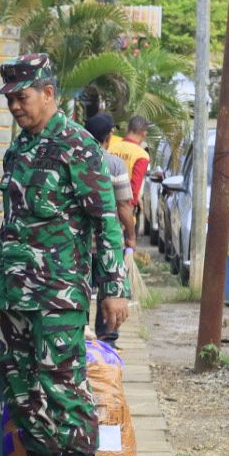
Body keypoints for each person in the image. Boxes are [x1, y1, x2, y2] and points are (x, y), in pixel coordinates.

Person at [0, 55, 130, 456]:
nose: (15, 107)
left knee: (61, 382)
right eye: (10, 100)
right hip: (17, 292)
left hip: (59, 293)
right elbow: (12, 226)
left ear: (48, 93)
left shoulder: (77, 146)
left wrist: (113, 288)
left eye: (22, 97)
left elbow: (106, 222)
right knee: (21, 383)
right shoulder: (19, 149)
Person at [85, 111, 135, 344]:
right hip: (107, 242)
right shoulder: (114, 164)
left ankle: (80, 338)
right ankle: (107, 341)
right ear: (108, 136)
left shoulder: (76, 160)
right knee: (109, 289)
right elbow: (123, 207)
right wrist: (130, 236)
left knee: (81, 291)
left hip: (80, 244)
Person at [108, 115, 151, 217]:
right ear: (144, 133)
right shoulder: (142, 155)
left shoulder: (111, 148)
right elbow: (134, 189)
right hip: (124, 212)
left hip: (106, 205)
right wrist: (128, 216)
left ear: (128, 129)